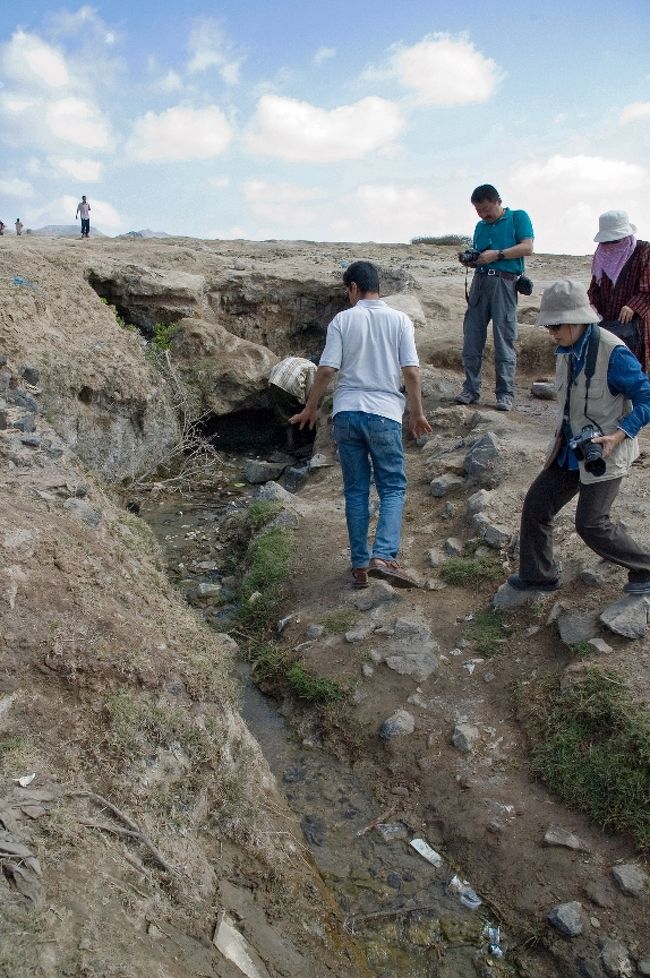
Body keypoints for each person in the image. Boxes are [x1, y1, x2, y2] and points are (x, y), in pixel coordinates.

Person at [290, 260, 432, 589]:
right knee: (392, 486)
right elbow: (411, 372)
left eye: (347, 291)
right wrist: (417, 413)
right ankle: (383, 556)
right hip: (384, 414)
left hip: (347, 414)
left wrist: (311, 408)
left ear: (353, 287)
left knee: (356, 490)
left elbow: (327, 370)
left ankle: (359, 566)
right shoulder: (400, 320)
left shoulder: (342, 320)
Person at [507, 278, 650, 596]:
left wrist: (619, 435)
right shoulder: (567, 347)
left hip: (606, 451)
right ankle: (538, 576)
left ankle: (645, 568)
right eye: (549, 327)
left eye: (556, 326)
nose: (552, 333)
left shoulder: (614, 353)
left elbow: (646, 398)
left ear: (577, 320)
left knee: (591, 523)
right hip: (570, 449)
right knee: (536, 506)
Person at [456, 184, 534, 411]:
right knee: (472, 337)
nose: (482, 214)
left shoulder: (518, 217)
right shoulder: (480, 226)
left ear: (498, 201)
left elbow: (527, 247)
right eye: (478, 210)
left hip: (505, 283)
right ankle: (470, 389)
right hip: (480, 282)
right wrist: (471, 260)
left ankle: (505, 394)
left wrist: (497, 255)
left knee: (504, 338)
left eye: (486, 209)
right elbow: (480, 255)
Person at [587, 210, 650, 373]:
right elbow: (594, 287)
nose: (610, 245)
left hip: (636, 327)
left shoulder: (644, 251)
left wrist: (633, 306)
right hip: (608, 323)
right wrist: (592, 305)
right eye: (606, 241)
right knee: (608, 370)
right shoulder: (601, 253)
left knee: (634, 369)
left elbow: (648, 288)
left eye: (614, 241)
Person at [268, 356, 318, 452]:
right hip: (290, 385)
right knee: (299, 411)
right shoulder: (313, 367)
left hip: (274, 382)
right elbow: (310, 389)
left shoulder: (295, 360)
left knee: (283, 414)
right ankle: (300, 442)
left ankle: (289, 444)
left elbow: (275, 368)